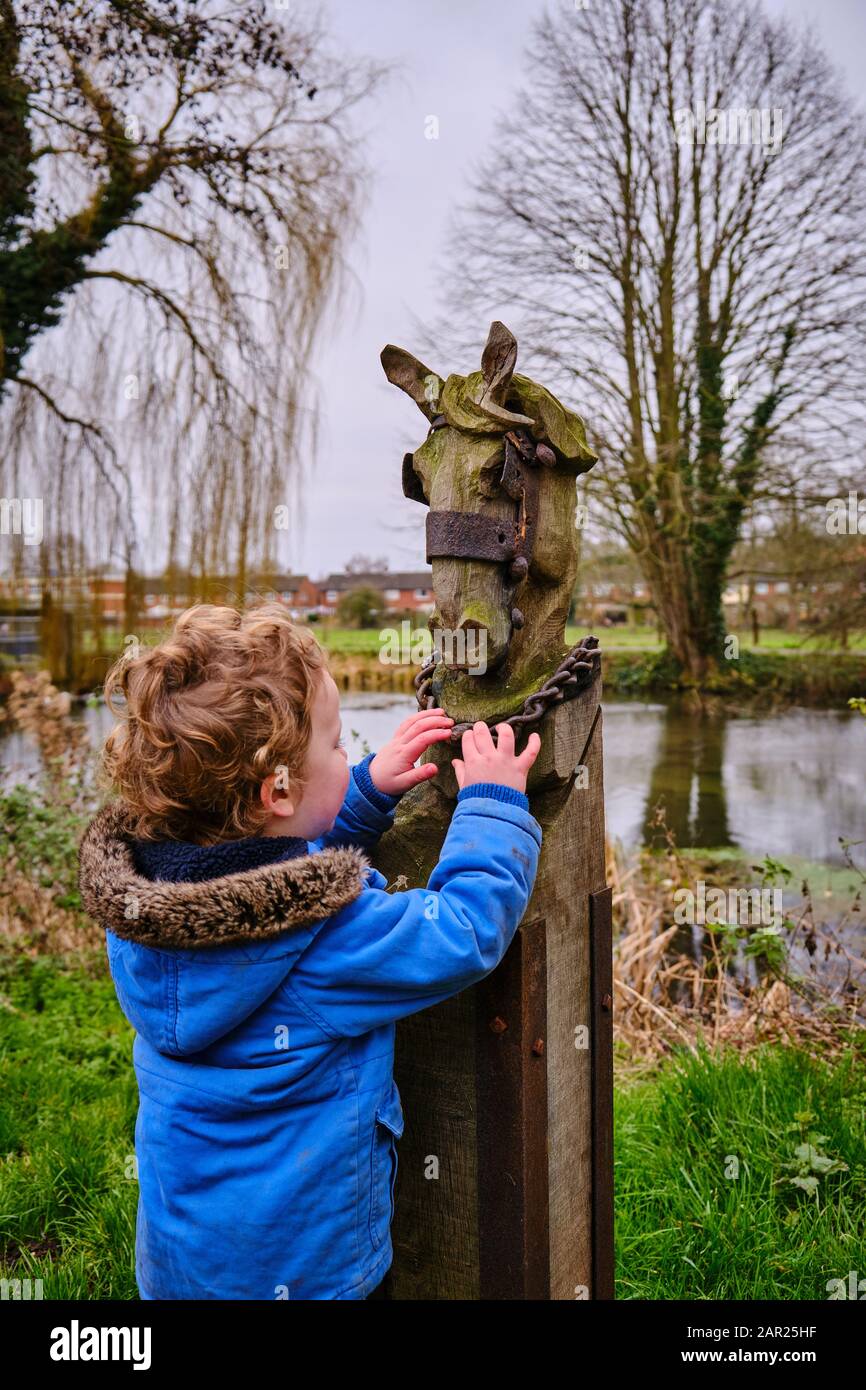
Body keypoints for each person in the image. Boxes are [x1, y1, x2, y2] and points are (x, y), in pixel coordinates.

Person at [77, 601, 542, 1300]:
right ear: (278, 791)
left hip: (185, 1263)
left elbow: (269, 864)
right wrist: (492, 807)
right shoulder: (328, 933)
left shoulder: (147, 904)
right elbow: (464, 931)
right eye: (335, 747)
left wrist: (359, 794)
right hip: (309, 1269)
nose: (346, 755)